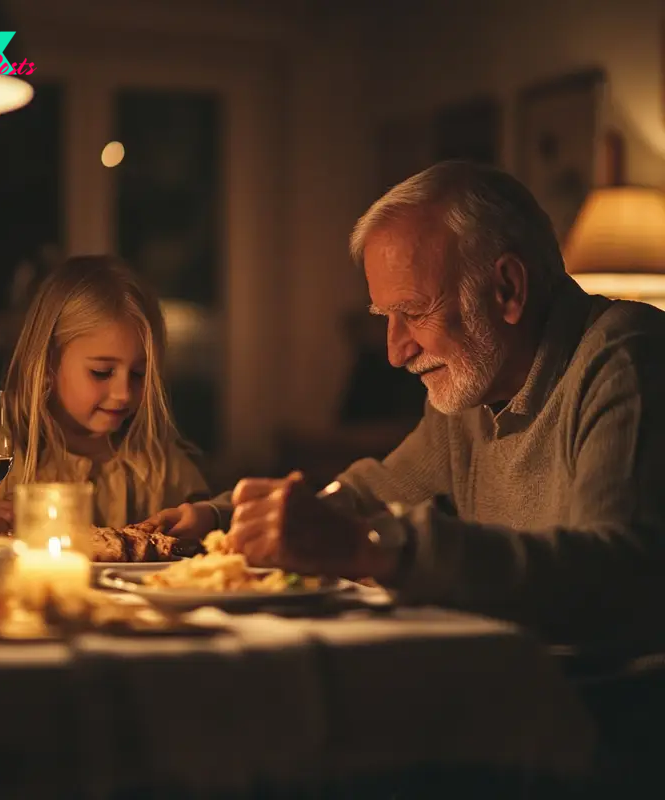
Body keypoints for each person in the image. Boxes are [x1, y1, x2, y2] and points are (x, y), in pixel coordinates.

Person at [152, 160, 665, 644]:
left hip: (610, 708)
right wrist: (224, 519)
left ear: (507, 288)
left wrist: (374, 548)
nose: (397, 352)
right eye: (386, 317)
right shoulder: (473, 393)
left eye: (414, 312)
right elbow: (366, 493)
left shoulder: (627, 357)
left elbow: (618, 574)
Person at [0, 255, 210, 533]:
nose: (124, 393)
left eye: (139, 374)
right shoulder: (7, 448)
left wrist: (199, 520)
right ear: (47, 363)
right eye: (101, 372)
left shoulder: (155, 459)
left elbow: (212, 520)